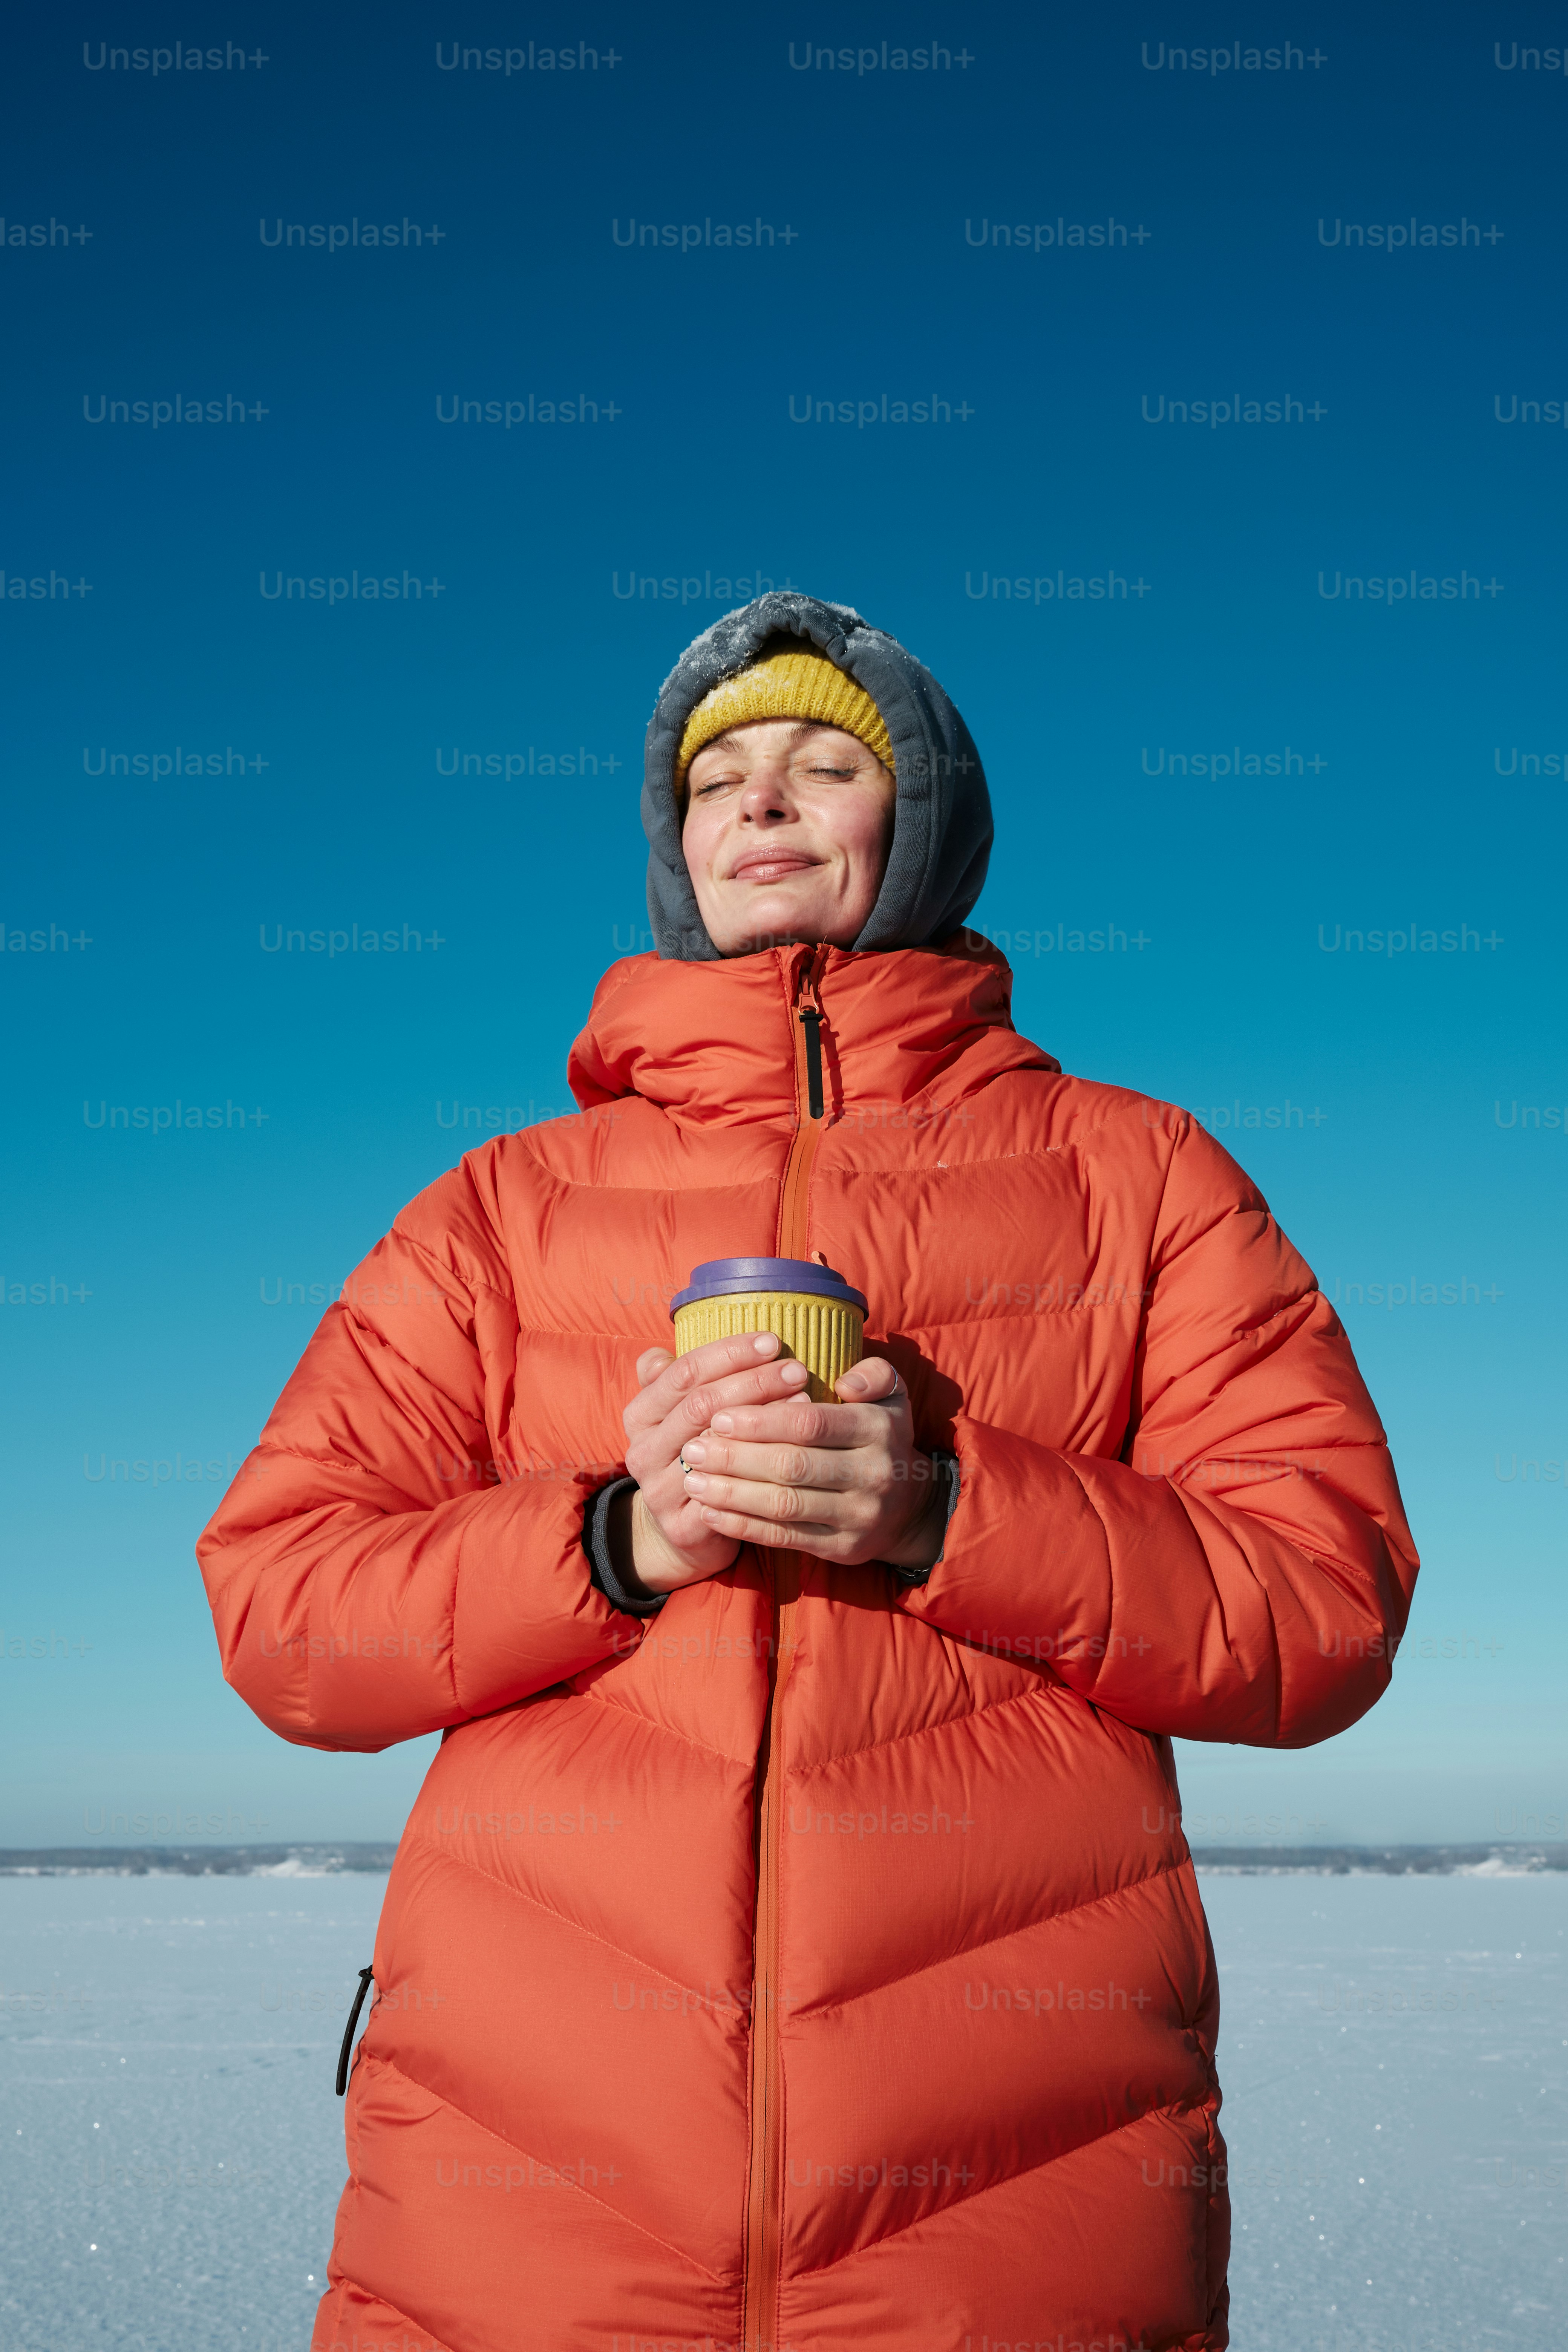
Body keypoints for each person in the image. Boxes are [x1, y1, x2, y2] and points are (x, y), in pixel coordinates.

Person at [198, 592, 1418, 2352]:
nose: (761, 804)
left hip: (1012, 2215)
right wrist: (615, 1542)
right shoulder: (503, 1209)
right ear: (675, 847)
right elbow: (281, 1606)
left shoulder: (1135, 1177)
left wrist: (947, 1512)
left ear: (918, 823)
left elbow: (1322, 1597)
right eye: (718, 780)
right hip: (514, 2207)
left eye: (825, 763)